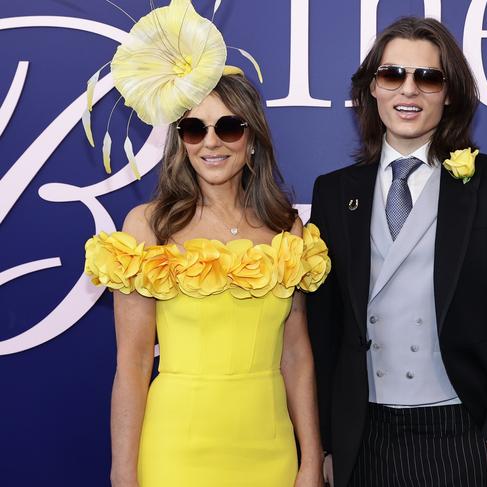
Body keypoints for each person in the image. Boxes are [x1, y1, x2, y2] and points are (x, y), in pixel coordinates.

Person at [83, 2, 329, 486]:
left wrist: (310, 460)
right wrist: (123, 473)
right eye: (195, 128)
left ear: (252, 138)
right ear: (180, 140)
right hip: (177, 449)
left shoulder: (287, 230)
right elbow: (131, 365)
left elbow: (297, 355)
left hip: (270, 448)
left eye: (229, 127)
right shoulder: (147, 227)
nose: (211, 142)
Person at [307, 16, 487, 487]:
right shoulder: (334, 192)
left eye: (428, 77)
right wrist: (329, 444)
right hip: (365, 441)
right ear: (371, 89)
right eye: (393, 75)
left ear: (451, 93)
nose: (408, 91)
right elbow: (324, 330)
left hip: (464, 437)